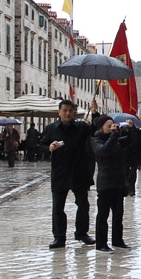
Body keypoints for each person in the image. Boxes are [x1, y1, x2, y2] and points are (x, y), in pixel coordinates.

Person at [44, 99, 97, 249]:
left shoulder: (81, 127)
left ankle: (81, 233)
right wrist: (49, 147)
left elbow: (95, 130)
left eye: (70, 110)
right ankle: (59, 237)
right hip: (60, 172)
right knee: (58, 207)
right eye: (64, 110)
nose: (67, 113)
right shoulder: (50, 129)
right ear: (59, 112)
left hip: (79, 172)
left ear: (74, 112)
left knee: (83, 204)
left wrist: (94, 113)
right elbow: (38, 145)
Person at [90, 116, 132, 252]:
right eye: (108, 126)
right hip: (105, 183)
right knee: (103, 215)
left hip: (118, 183)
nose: (112, 127)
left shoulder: (116, 140)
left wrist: (131, 131)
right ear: (101, 127)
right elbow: (104, 151)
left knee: (118, 214)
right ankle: (101, 243)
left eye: (113, 125)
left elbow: (132, 143)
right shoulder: (96, 141)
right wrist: (114, 135)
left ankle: (117, 240)